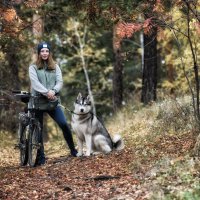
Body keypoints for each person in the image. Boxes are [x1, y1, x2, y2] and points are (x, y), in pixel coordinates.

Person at [29, 42, 78, 165]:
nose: (44, 53)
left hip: (52, 103)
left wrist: (54, 91)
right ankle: (41, 158)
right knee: (38, 131)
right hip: (38, 103)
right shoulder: (33, 67)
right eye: (42, 51)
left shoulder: (55, 66)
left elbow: (60, 81)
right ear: (39, 53)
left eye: (47, 51)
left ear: (49, 53)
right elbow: (35, 83)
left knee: (64, 124)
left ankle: (73, 150)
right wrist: (46, 92)